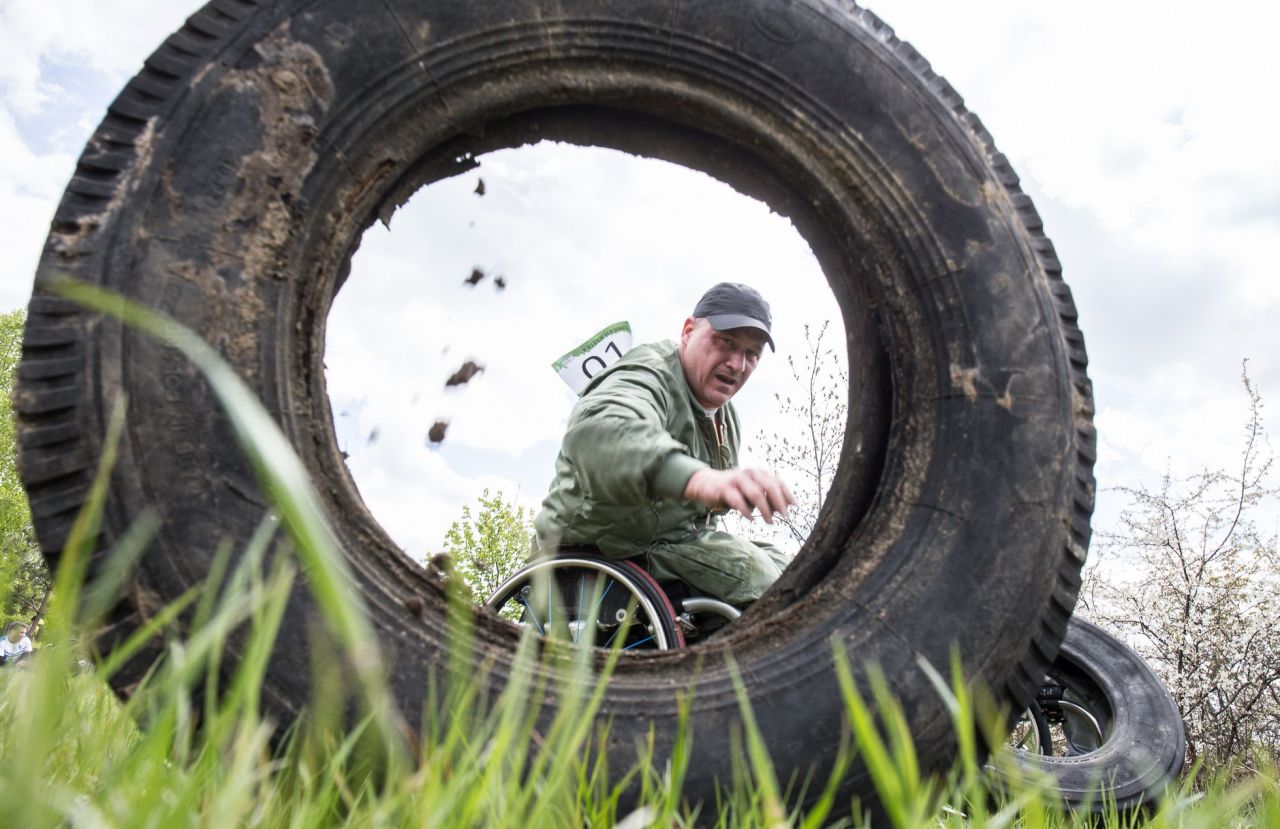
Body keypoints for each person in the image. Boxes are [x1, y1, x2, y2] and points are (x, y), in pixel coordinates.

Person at [534, 282, 796, 606]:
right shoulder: (647, 372)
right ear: (688, 331)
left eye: (751, 354)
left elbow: (704, 517)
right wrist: (702, 480)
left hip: (670, 544)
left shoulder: (726, 419)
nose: (737, 364)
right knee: (755, 576)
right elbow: (600, 429)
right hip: (603, 549)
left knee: (796, 572)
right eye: (726, 342)